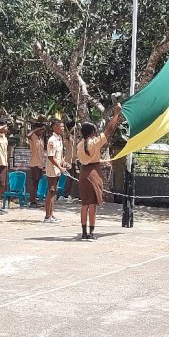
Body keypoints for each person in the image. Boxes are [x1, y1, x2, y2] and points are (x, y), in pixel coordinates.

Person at [77, 103, 121, 240]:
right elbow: (109, 130)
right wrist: (116, 114)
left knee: (84, 204)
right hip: (93, 174)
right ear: (92, 133)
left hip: (83, 174)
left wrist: (101, 161)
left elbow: (89, 159)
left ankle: (84, 232)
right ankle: (91, 233)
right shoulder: (94, 142)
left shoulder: (79, 145)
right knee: (92, 206)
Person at [45, 119, 69, 223]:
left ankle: (51, 214)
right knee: (51, 190)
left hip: (58, 168)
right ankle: (47, 216)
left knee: (54, 191)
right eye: (61, 126)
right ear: (55, 127)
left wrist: (63, 162)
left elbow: (59, 155)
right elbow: (51, 157)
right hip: (52, 169)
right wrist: (60, 167)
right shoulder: (52, 140)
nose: (63, 129)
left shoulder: (59, 139)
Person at [26, 122, 45, 208]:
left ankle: (35, 200)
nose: (42, 131)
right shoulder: (33, 137)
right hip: (34, 163)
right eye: (40, 130)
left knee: (37, 182)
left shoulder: (40, 139)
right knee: (33, 183)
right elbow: (28, 135)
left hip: (40, 163)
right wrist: (35, 130)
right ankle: (32, 201)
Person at [60, 120, 77, 202]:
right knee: (69, 178)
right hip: (68, 161)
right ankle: (65, 195)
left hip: (73, 161)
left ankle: (67, 194)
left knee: (72, 178)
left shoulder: (73, 137)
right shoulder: (68, 137)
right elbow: (67, 135)